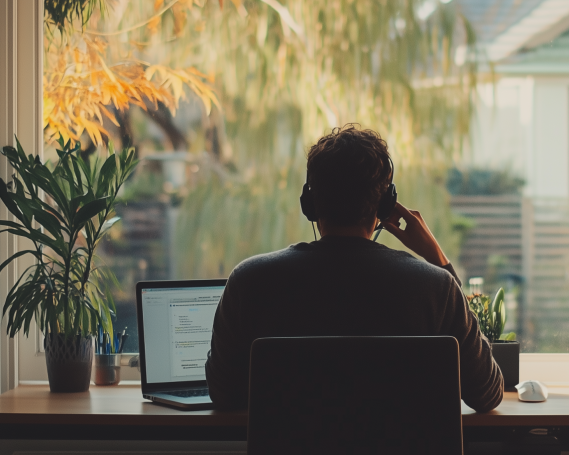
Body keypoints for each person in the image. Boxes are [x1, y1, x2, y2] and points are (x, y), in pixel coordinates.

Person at [205, 124, 505, 412]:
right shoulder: (436, 288)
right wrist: (440, 262)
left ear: (309, 202)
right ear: (386, 206)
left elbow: (222, 394)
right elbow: (487, 394)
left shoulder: (249, 281)